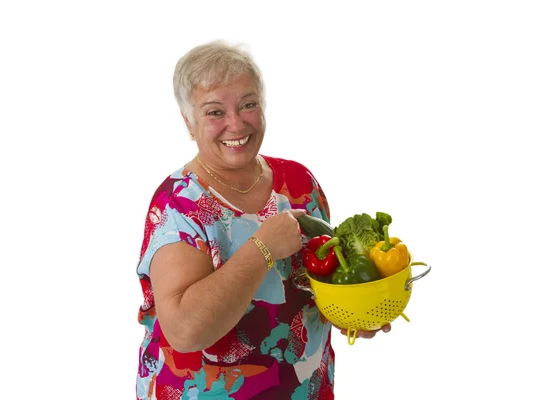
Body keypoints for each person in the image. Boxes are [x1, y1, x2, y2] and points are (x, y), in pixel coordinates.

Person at [135, 40, 390, 400]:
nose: (236, 123)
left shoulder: (299, 183)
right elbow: (186, 331)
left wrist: (351, 312)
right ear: (189, 122)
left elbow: (316, 284)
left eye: (248, 104)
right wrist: (264, 247)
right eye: (214, 112)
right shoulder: (177, 204)